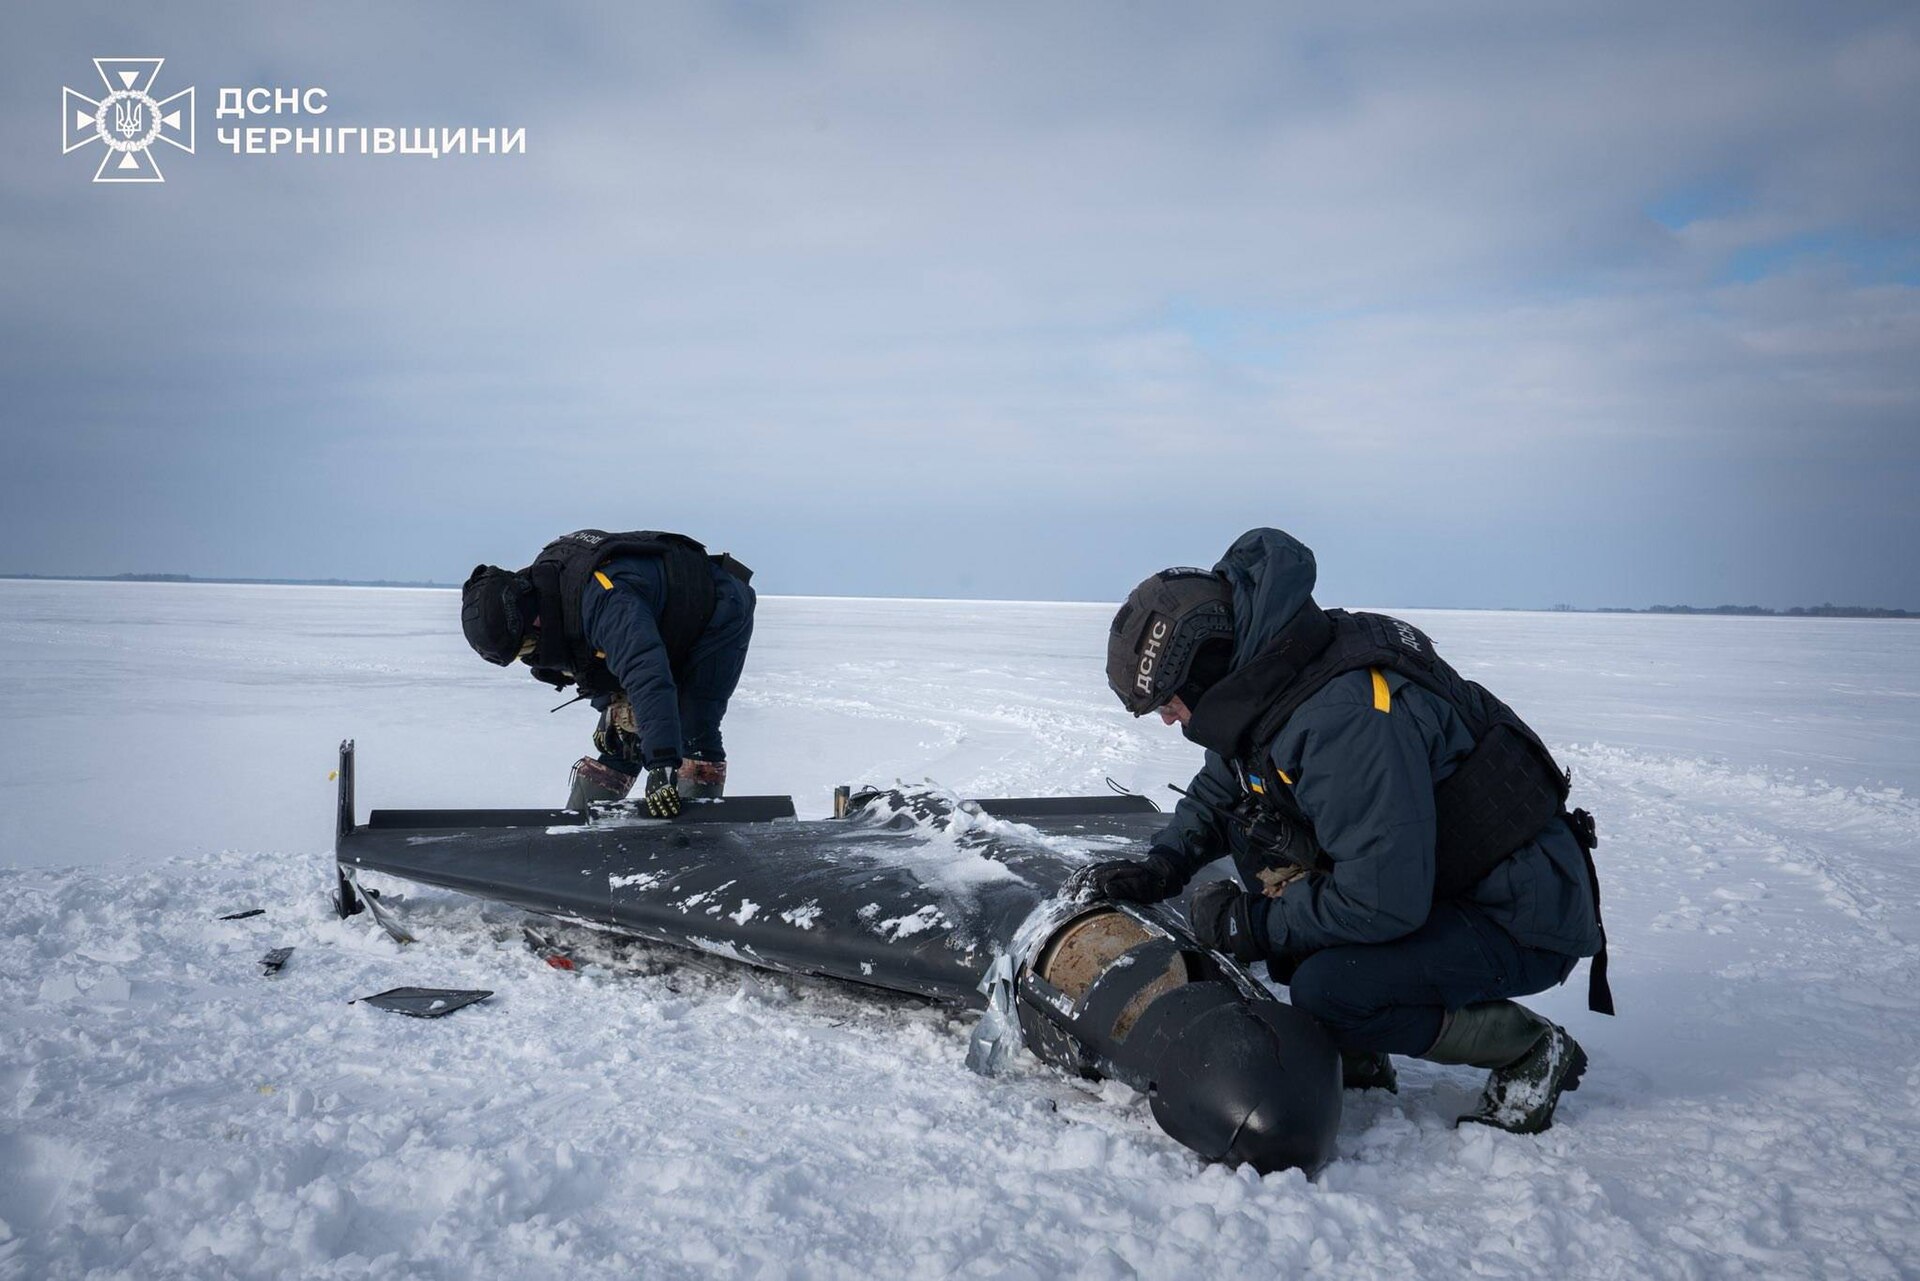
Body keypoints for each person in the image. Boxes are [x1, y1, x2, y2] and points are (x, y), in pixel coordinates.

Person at [1083, 528, 1611, 1134]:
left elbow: (1380, 902)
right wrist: (1163, 865)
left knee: (1329, 987)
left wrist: (1250, 924)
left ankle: (1528, 1050)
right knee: (1281, 895)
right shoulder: (1276, 671)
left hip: (1521, 911)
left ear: (1205, 669)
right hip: (1443, 879)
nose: (1170, 719)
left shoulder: (1343, 719)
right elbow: (1222, 788)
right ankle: (1361, 1050)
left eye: (1170, 703)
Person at [460, 529, 755, 816]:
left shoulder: (605, 601)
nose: (528, 656)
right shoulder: (550, 603)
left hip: (718, 607)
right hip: (658, 623)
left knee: (693, 726)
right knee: (623, 737)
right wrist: (610, 707)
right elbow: (589, 660)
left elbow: (646, 674)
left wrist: (662, 763)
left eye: (524, 647)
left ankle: (696, 831)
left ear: (530, 621)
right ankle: (579, 826)